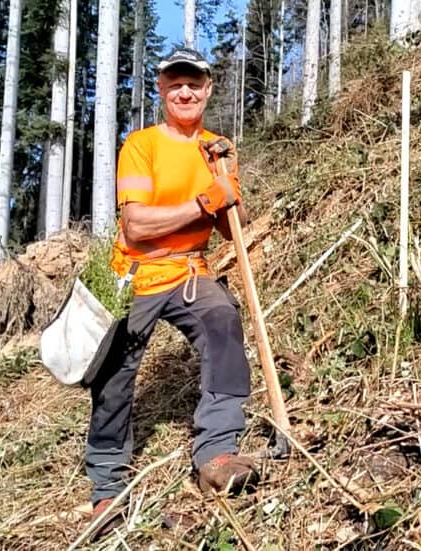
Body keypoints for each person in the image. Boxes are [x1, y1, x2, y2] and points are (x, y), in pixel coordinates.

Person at [85, 47, 259, 535]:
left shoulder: (217, 149)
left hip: (188, 271)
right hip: (136, 272)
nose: (185, 91)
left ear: (207, 90)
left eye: (194, 84)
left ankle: (217, 452)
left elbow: (233, 231)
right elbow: (137, 226)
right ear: (161, 89)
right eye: (174, 83)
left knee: (223, 319)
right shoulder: (140, 146)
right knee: (114, 369)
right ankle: (106, 488)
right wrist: (204, 201)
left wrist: (228, 189)